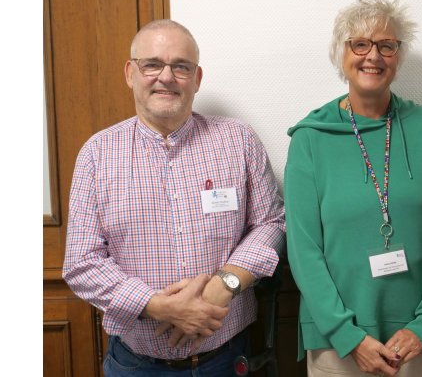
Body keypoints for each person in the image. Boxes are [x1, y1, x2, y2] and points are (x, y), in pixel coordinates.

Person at [62, 19, 286, 376]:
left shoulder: (238, 140)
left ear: (196, 79)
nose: (166, 76)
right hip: (136, 366)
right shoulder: (97, 154)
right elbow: (81, 262)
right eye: (152, 64)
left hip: (227, 361)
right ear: (130, 73)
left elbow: (271, 223)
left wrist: (224, 284)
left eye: (181, 66)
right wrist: (156, 306)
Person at [284, 0, 422, 377]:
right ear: (341, 53)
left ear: (398, 56)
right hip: (339, 344)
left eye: (387, 46)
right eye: (359, 44)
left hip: (418, 340)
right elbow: (303, 249)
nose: (373, 56)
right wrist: (347, 336)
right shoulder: (310, 138)